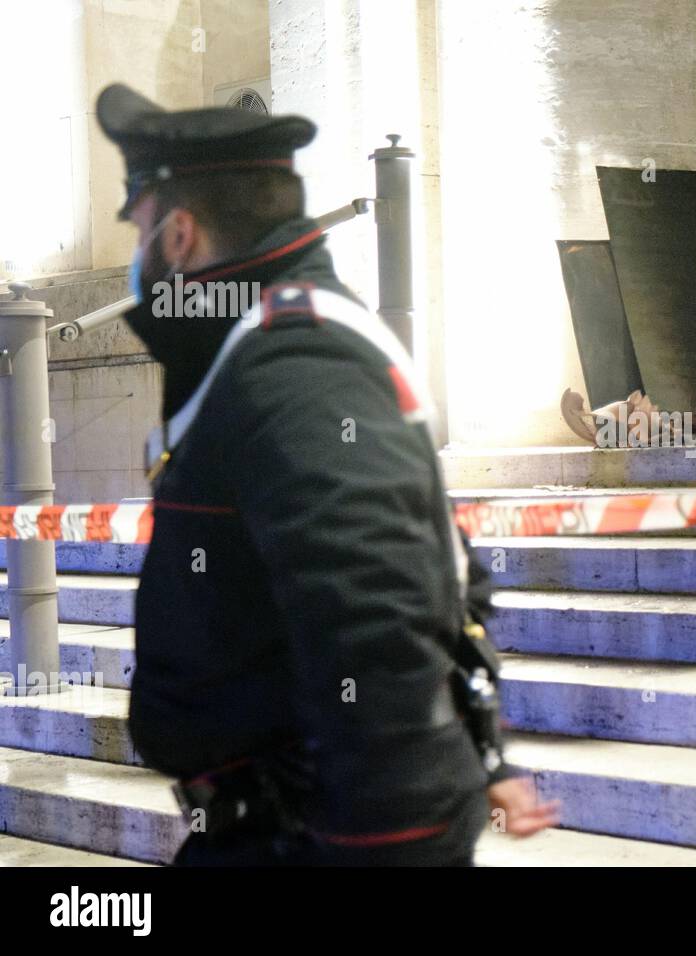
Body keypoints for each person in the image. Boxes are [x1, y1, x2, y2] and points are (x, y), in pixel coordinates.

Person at [95, 82, 559, 865]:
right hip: (277, 815)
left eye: (138, 228)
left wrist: (397, 821)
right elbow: (445, 565)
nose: (136, 257)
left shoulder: (293, 359)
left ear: (178, 235)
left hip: (306, 829)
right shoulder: (281, 337)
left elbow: (370, 598)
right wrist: (476, 749)